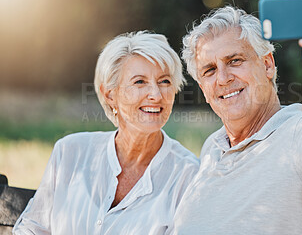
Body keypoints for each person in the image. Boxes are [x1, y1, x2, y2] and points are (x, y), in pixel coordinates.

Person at [170, 4, 302, 234]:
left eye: (235, 60)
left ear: (267, 65)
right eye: (209, 70)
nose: (223, 79)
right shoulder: (212, 148)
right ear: (203, 88)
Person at [13, 31, 199, 235]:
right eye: (140, 82)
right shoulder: (69, 152)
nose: (156, 95)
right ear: (110, 95)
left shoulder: (188, 175)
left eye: (164, 81)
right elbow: (32, 228)